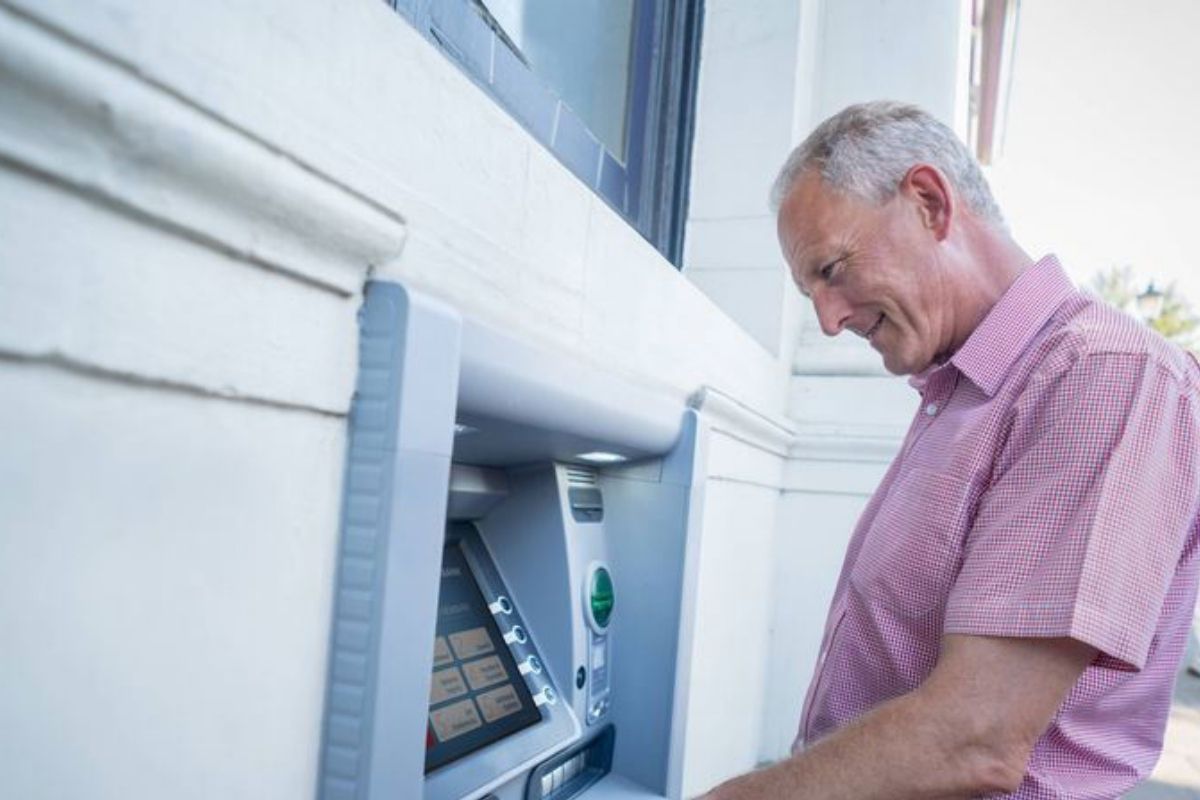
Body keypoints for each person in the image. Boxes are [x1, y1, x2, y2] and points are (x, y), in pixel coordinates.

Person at [700, 102, 1200, 799]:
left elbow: (977, 738)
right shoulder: (963, 388)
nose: (829, 318)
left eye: (832, 270)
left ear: (929, 203)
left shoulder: (1102, 374)